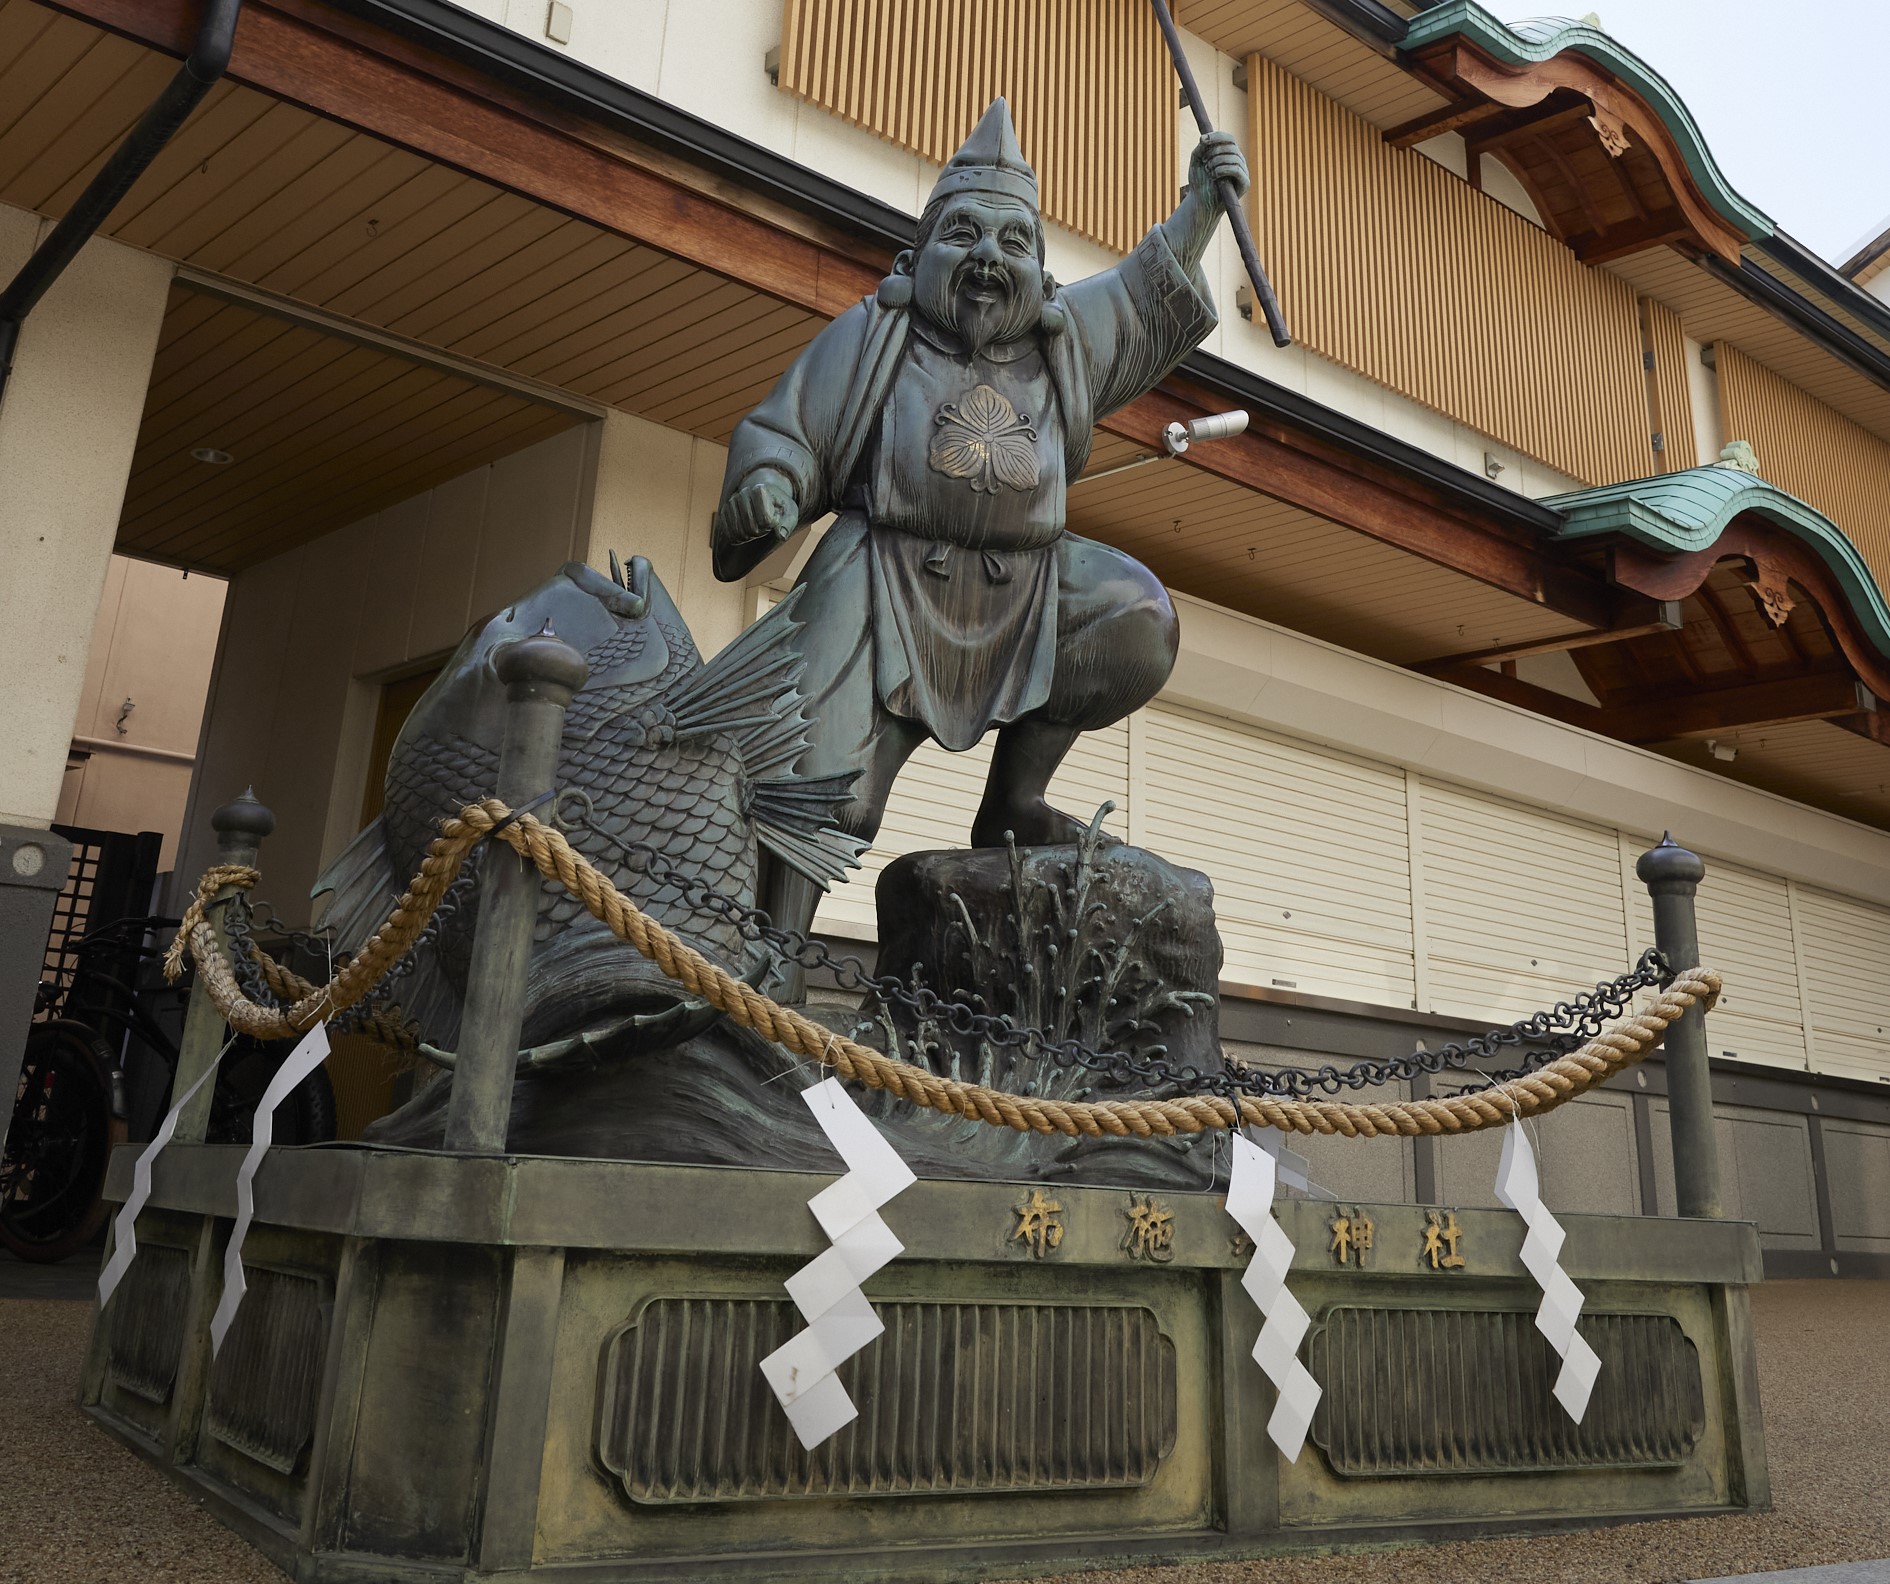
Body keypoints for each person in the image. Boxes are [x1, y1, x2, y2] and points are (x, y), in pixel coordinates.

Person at [712, 97, 1248, 949]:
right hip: (882, 576)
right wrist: (769, 487)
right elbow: (789, 433)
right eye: (964, 235)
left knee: (1134, 618)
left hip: (1028, 587)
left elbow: (1140, 294)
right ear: (917, 254)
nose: (990, 259)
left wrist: (1199, 210)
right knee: (825, 782)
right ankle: (764, 958)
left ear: (1038, 270)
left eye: (1015, 242)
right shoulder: (875, 332)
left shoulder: (1060, 339)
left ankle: (1015, 802)